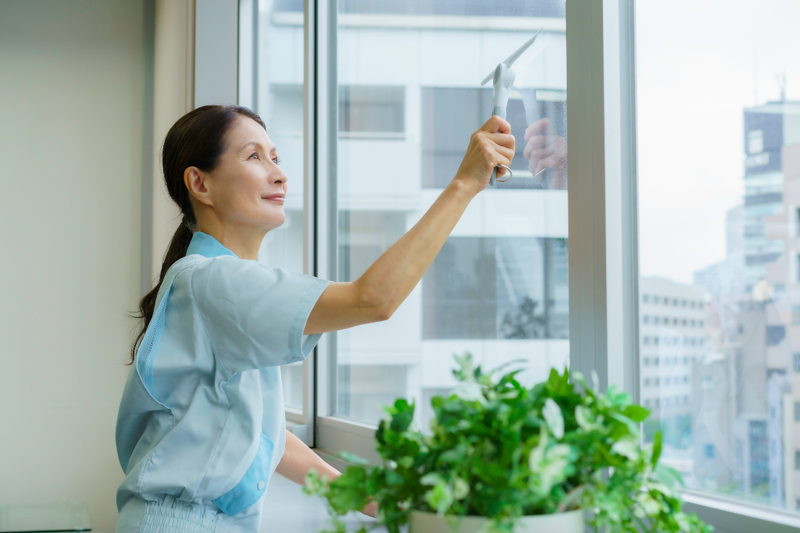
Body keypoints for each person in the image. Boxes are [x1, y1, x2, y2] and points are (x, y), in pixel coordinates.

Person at [115, 104, 515, 533]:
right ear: (200, 183)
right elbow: (372, 299)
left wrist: (375, 500)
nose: (279, 174)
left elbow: (264, 435)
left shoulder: (212, 285)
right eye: (254, 156)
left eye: (275, 157)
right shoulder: (213, 282)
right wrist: (464, 184)